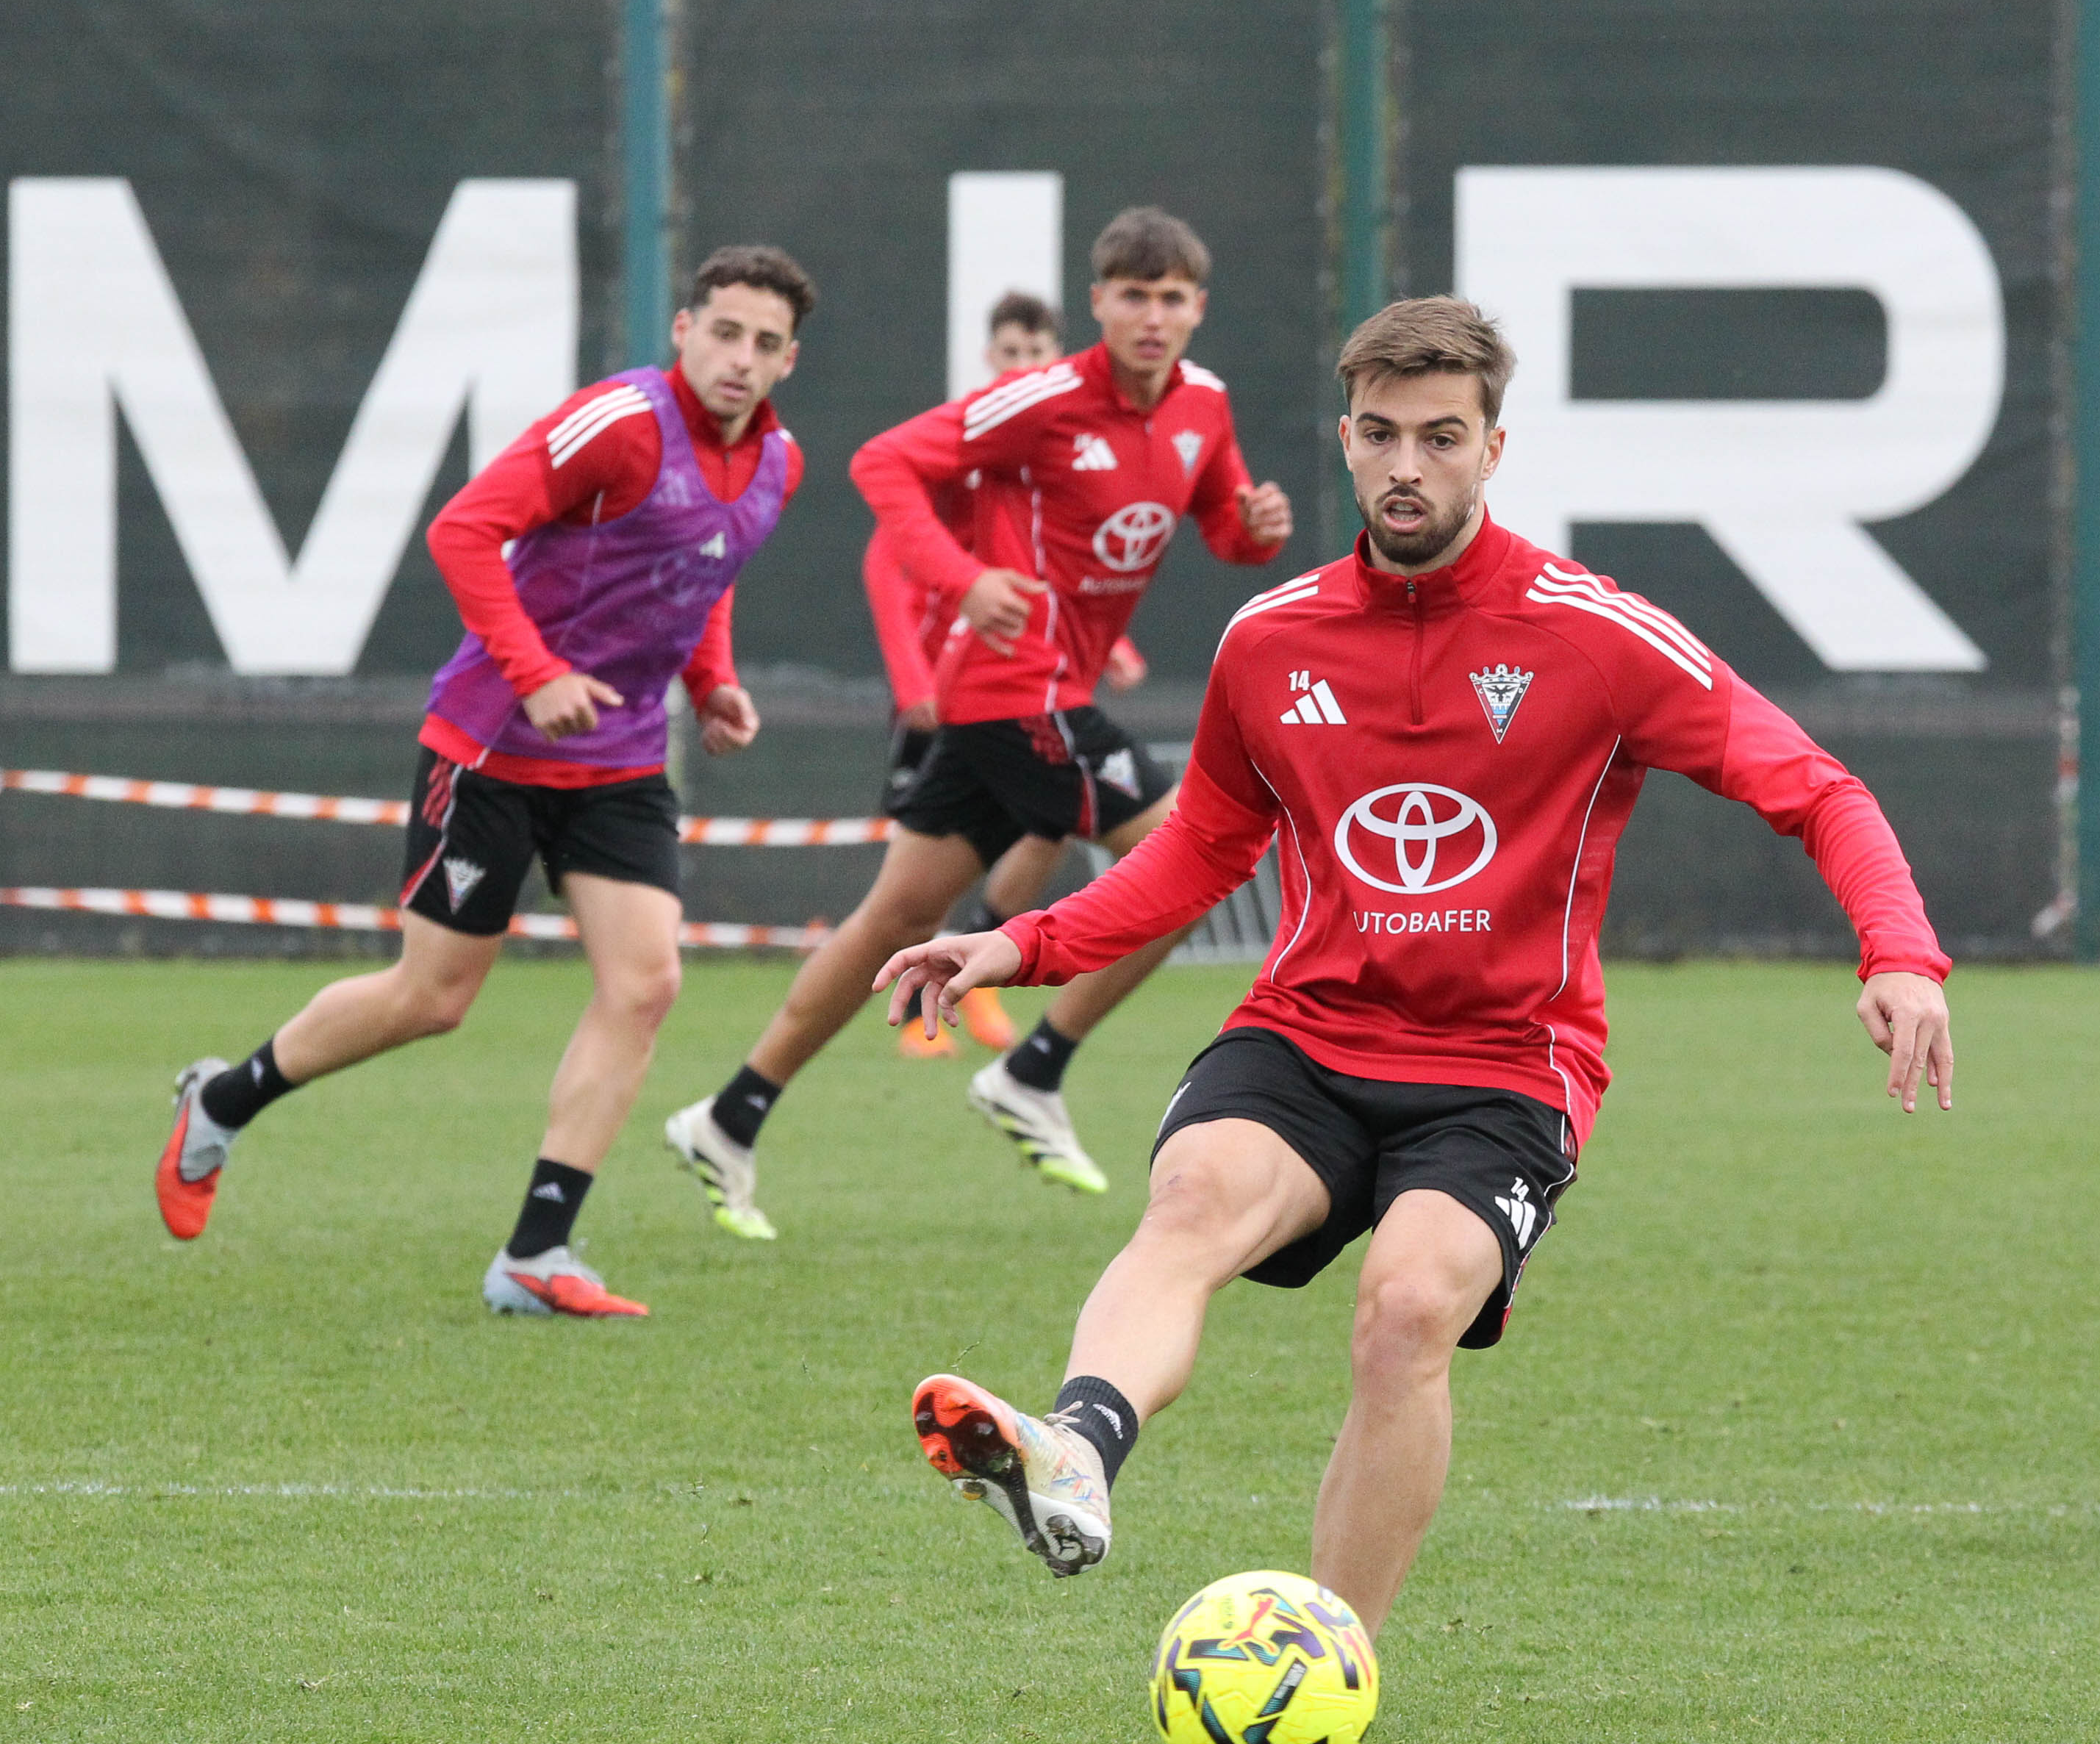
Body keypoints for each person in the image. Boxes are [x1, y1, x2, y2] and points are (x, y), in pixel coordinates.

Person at [872, 295, 1956, 1744]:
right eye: (1380, 435)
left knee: (1406, 1311)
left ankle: (1317, 1700)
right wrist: (1020, 942)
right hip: (1311, 1033)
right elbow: (1197, 850)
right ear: (1347, 439)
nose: (1407, 466)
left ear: (1494, 449)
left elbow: (1817, 787)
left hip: (1508, 1066)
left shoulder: (1596, 634)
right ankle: (1077, 1452)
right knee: (1189, 1203)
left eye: (1442, 439)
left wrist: (1899, 950)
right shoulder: (1275, 639)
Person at [152, 247, 817, 1313]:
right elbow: (464, 529)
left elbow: (703, 576)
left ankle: (536, 1255)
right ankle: (223, 1099)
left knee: (645, 984)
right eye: (725, 331)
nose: (741, 358)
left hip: (621, 758)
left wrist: (715, 680)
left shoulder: (777, 464)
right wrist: (539, 671)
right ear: (686, 329)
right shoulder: (621, 422)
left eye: (765, 343)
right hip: (493, 747)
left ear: (791, 359)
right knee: (433, 997)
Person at [664, 209, 1290, 1234]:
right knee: (1199, 857)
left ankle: (730, 1117)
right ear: (1099, 303)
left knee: (895, 920)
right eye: (1133, 294)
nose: (1152, 315)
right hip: (1016, 689)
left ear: (1197, 311)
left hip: (1025, 698)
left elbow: (1221, 525)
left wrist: (1252, 532)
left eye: (1172, 298)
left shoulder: (1204, 407)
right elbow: (882, 464)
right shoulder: (1045, 399)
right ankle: (1034, 1070)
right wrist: (962, 579)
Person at [864, 289, 1146, 1063]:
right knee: (914, 886)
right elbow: (887, 559)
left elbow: (1059, 571)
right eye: (1010, 353)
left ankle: (971, 975)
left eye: (1036, 353)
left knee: (1050, 820)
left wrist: (1105, 649)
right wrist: (910, 674)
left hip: (1024, 681)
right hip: (951, 682)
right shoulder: (973, 436)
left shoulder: (1055, 444)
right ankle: (926, 1004)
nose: (1023, 366)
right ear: (991, 359)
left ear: (1056, 359)